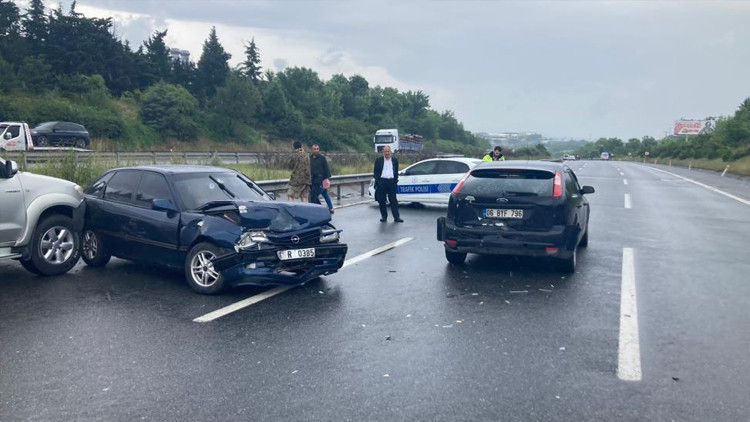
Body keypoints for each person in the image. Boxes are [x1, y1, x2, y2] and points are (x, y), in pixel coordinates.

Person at [373, 145, 403, 223]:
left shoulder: (395, 160)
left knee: (393, 200)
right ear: (383, 152)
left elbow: (396, 172)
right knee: (382, 200)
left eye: (388, 151)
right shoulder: (378, 160)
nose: (387, 153)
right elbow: (375, 172)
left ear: (390, 152)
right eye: (385, 152)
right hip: (382, 182)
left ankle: (396, 217)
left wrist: (395, 181)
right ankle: (384, 216)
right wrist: (379, 182)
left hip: (391, 182)